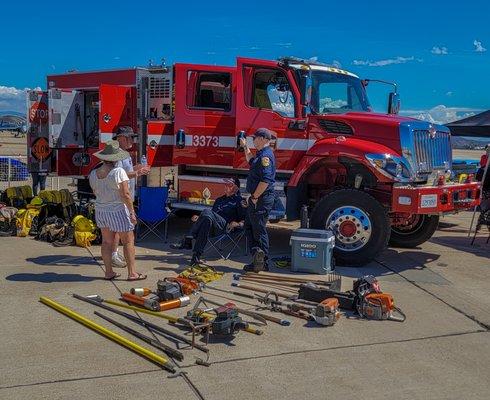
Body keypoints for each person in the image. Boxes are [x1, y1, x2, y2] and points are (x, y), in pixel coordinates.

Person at [89, 140, 146, 281]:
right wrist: (132, 212)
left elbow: (95, 192)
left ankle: (109, 272)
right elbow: (125, 194)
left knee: (107, 242)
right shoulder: (118, 172)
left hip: (101, 210)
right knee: (128, 241)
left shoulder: (94, 173)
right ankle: (132, 273)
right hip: (118, 210)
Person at [171, 177, 246, 265]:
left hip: (226, 227)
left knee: (206, 212)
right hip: (213, 227)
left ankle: (188, 239)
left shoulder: (239, 201)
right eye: (225, 184)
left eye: (229, 185)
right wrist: (199, 218)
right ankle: (196, 257)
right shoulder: (219, 200)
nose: (225, 186)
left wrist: (238, 224)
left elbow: (246, 220)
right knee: (205, 222)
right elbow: (210, 216)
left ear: (236, 188)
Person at [110, 126, 150, 269]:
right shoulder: (119, 154)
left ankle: (114, 253)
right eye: (130, 137)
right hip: (121, 197)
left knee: (116, 228)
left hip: (125, 197)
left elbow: (128, 171)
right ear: (122, 138)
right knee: (121, 230)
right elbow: (121, 175)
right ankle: (114, 255)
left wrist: (138, 168)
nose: (132, 140)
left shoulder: (124, 154)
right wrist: (139, 172)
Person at [239, 128, 277, 272]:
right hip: (256, 199)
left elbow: (266, 180)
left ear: (262, 139)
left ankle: (263, 262)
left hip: (260, 199)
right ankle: (257, 258)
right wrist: (244, 146)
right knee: (249, 227)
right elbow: (250, 160)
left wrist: (254, 197)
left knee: (258, 230)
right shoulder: (261, 154)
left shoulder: (265, 157)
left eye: (254, 138)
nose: (253, 140)